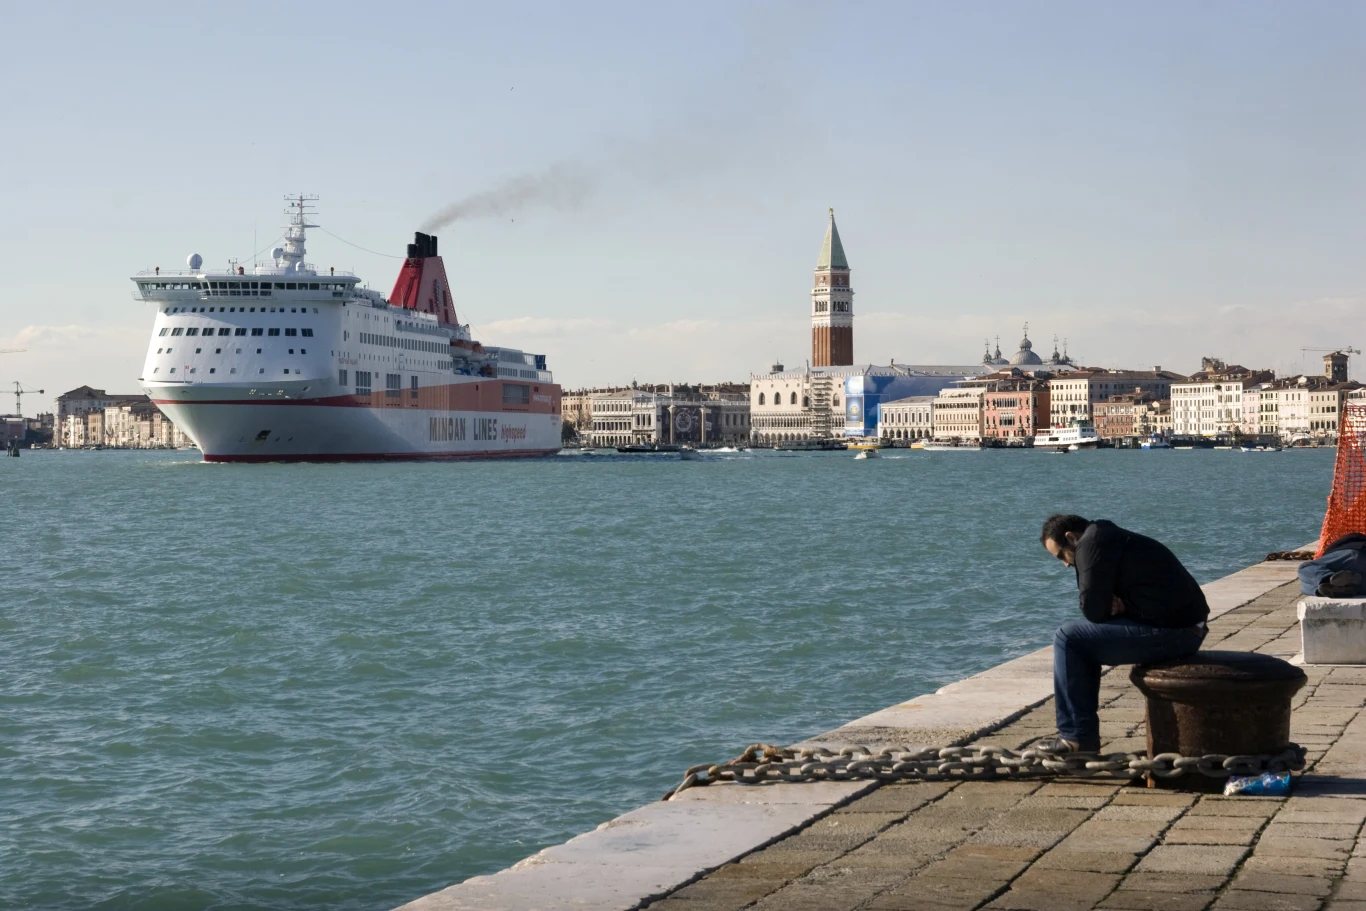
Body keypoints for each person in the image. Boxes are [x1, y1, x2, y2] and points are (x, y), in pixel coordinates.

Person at [1036, 515, 1209, 754]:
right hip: (1186, 627)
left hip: (1177, 633)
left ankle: (1076, 738)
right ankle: (1080, 737)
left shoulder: (1090, 543)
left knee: (1069, 639)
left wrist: (1114, 605)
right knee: (1080, 642)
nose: (1065, 564)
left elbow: (1092, 610)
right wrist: (1123, 606)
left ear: (1071, 538)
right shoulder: (1108, 537)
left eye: (1061, 556)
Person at [1298, 534, 1366, 597]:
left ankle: (1328, 579)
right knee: (1304, 586)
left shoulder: (1350, 544)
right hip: (1361, 579)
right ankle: (1334, 588)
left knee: (1305, 568)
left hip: (1356, 554)